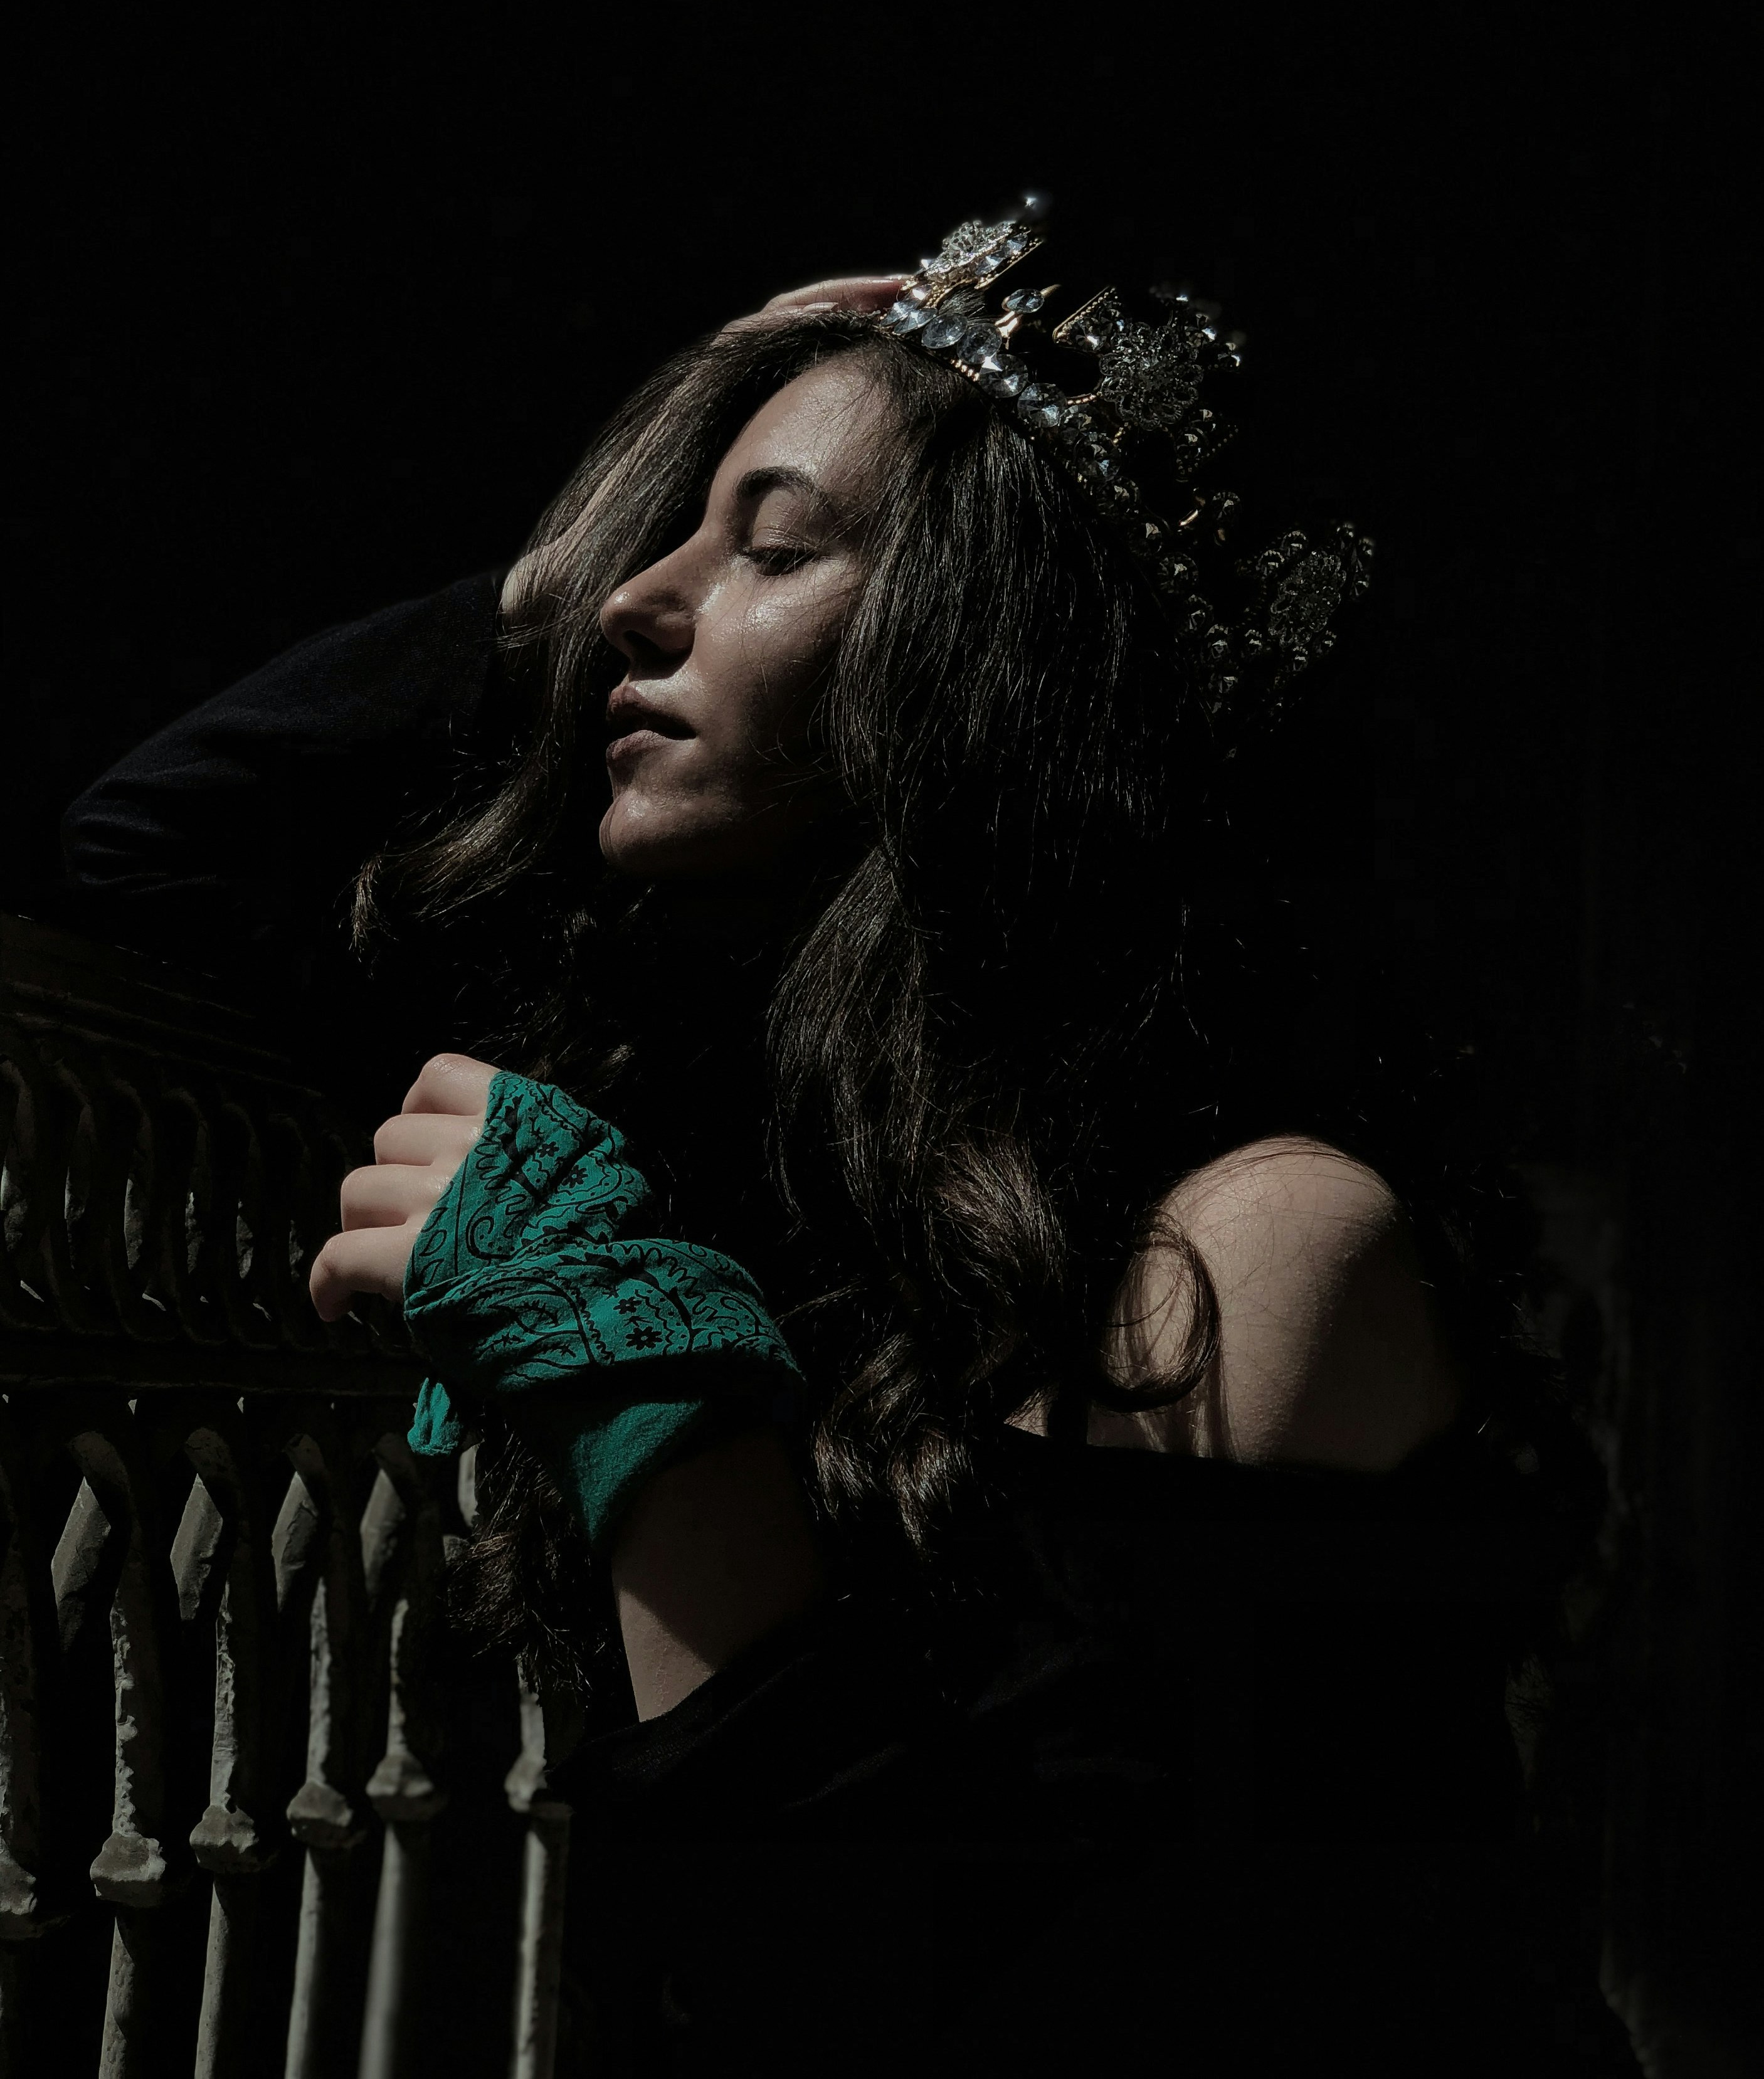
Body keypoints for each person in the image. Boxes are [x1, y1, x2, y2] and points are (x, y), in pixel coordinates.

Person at [60, 208, 1639, 2075]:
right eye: (659, 551)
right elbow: (137, 868)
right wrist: (549, 587)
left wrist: (643, 1388)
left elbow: (918, 1980)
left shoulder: (1258, 1245)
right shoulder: (736, 1132)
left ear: (986, 668)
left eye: (775, 549)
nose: (644, 605)